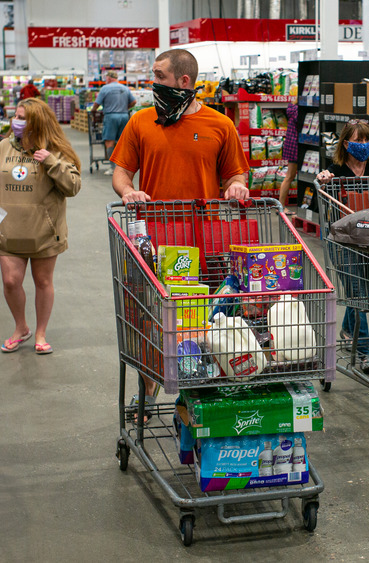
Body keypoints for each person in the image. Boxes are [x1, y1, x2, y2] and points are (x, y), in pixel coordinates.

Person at [110, 48, 250, 419]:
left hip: (204, 244)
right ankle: (148, 384)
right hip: (153, 243)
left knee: (200, 322)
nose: (151, 83)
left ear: (183, 81)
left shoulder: (221, 125)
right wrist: (128, 192)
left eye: (158, 76)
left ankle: (192, 397)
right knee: (146, 317)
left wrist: (236, 186)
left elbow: (237, 174)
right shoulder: (141, 122)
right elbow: (121, 172)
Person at [0, 98, 82, 355]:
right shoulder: (2, 148)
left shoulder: (57, 151)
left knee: (43, 281)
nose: (16, 122)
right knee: (11, 281)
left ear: (37, 122)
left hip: (44, 232)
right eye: (16, 116)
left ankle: (41, 333)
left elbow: (74, 187)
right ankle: (21, 327)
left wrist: (51, 162)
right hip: (9, 229)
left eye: (23, 118)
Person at [316, 119, 369, 374]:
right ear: (345, 144)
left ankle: (347, 329)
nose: (362, 145)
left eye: (366, 140)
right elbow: (322, 183)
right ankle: (365, 353)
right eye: (357, 140)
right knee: (358, 294)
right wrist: (323, 179)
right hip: (342, 241)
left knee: (361, 292)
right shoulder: (337, 169)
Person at [91, 70, 136, 176]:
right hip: (124, 116)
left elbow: (97, 104)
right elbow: (134, 102)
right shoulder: (125, 88)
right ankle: (124, 167)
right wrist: (126, 108)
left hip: (111, 117)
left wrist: (93, 111)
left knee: (109, 141)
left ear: (109, 78)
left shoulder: (105, 88)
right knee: (123, 142)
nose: (106, 80)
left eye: (106, 78)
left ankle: (113, 168)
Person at [278, 102, 300, 214]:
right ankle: (281, 206)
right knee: (289, 176)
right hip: (295, 145)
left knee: (289, 176)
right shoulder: (298, 111)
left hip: (290, 143)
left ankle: (281, 206)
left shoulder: (291, 108)